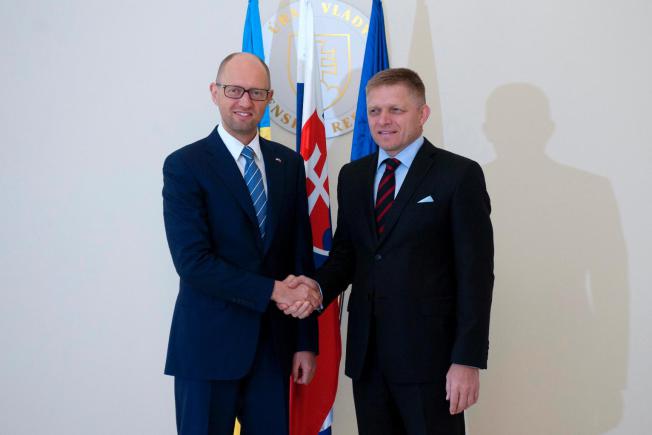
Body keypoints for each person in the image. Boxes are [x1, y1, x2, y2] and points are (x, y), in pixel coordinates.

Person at [283, 68, 494, 434]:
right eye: (375, 111)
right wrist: (315, 289)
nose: (383, 121)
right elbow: (348, 255)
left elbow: (476, 276)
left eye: (396, 110)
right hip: (369, 361)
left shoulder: (458, 176)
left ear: (422, 114)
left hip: (433, 365)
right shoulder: (354, 177)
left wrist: (466, 360)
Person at [162, 52, 322, 435]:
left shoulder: (289, 164)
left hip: (273, 350)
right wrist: (273, 291)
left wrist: (305, 341)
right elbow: (193, 263)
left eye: (256, 92)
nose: (245, 102)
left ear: (268, 99)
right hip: (206, 349)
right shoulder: (185, 165)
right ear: (215, 93)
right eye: (234, 90)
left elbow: (299, 253)